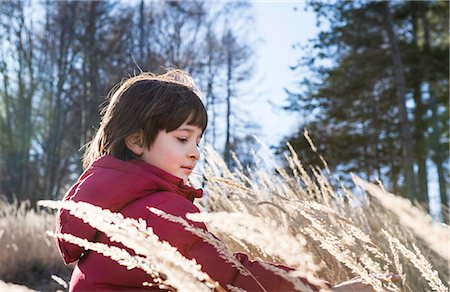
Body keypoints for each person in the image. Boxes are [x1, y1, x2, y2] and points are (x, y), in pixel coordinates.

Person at [56, 69, 396, 292]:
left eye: (198, 142)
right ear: (136, 141)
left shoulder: (106, 205)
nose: (195, 153)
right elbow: (231, 275)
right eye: (181, 139)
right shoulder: (160, 210)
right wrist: (326, 290)